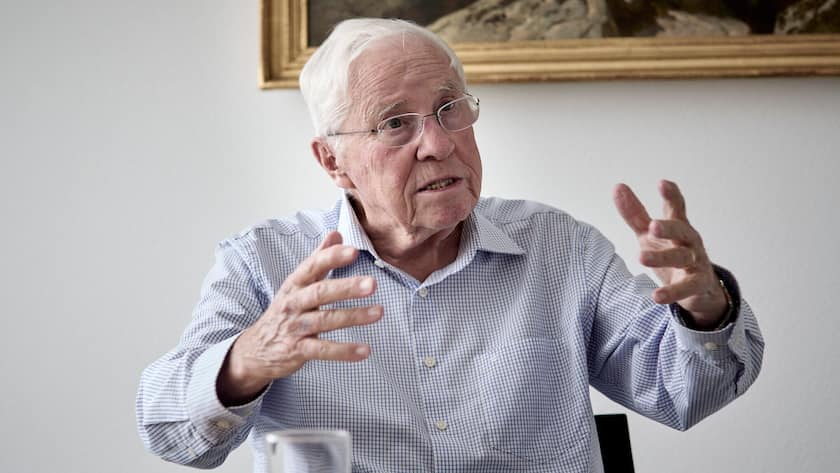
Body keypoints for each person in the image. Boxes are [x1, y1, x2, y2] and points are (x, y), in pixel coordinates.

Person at [136, 18, 764, 472]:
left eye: (449, 109)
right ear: (334, 161)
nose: (437, 144)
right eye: (394, 124)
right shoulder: (263, 263)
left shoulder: (559, 249)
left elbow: (688, 393)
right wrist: (247, 359)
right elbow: (172, 435)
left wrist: (703, 310)